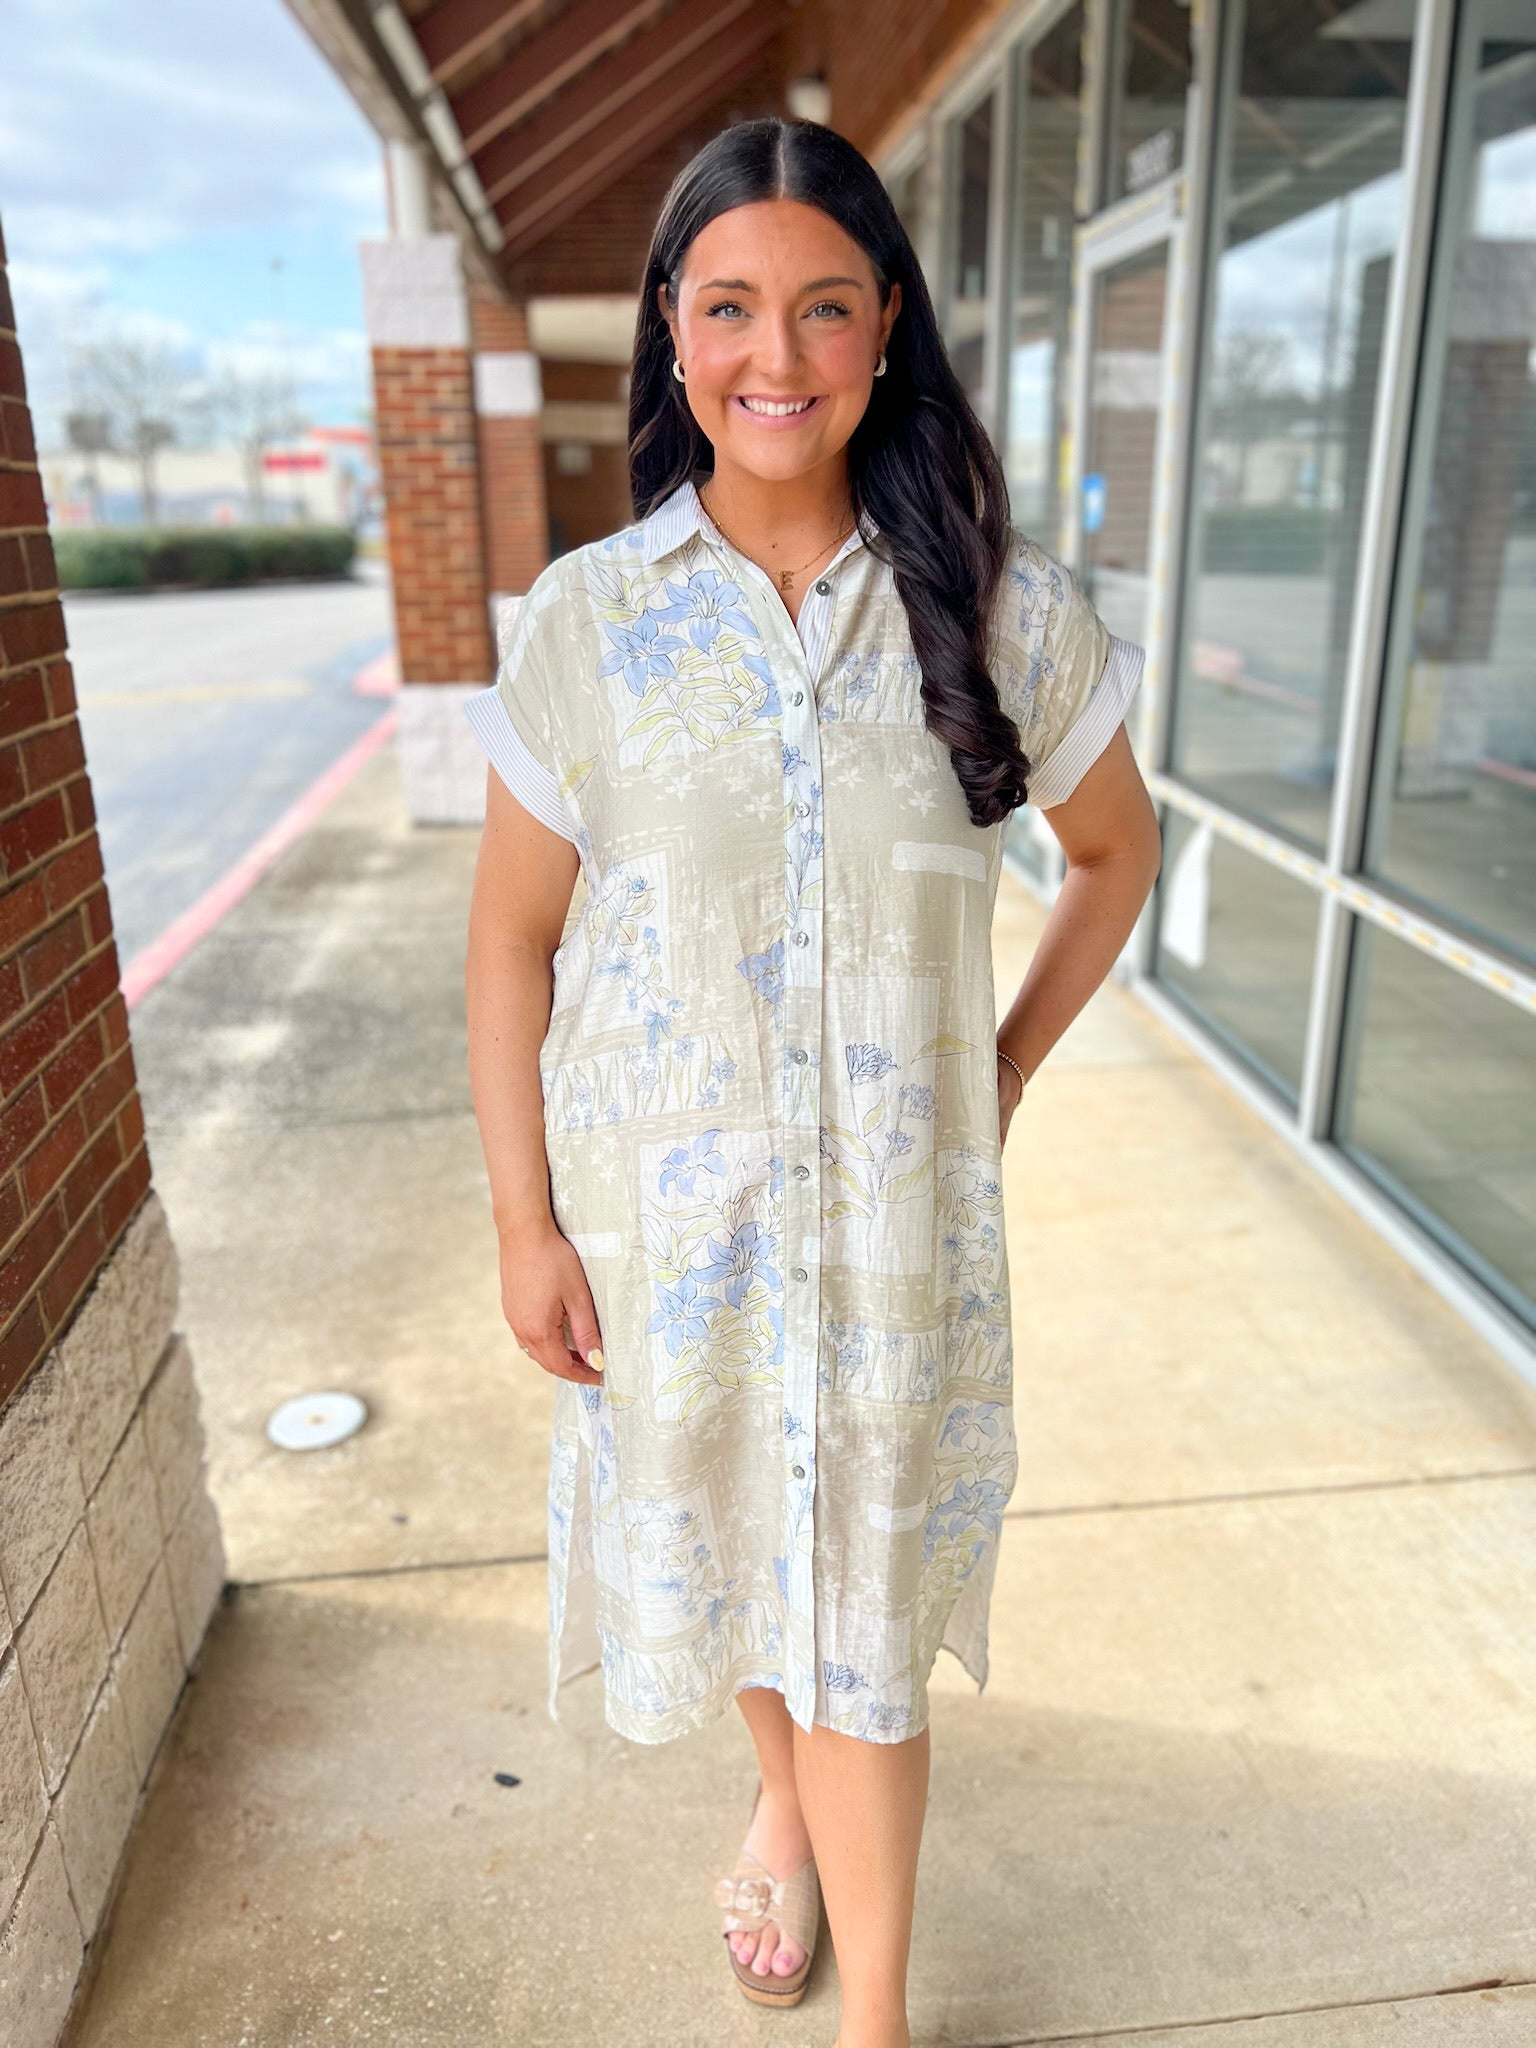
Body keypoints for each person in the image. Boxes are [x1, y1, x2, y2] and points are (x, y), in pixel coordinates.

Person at [463, 114, 1161, 2048]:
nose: (778, 356)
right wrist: (526, 1221)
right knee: (741, 1577)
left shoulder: (1004, 617)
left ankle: (883, 2025)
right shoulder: (588, 625)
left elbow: (1118, 857)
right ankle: (775, 1807)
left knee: (865, 1641)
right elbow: (510, 938)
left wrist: (996, 1075)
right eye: (733, 307)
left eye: (824, 308)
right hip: (665, 1234)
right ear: (675, 338)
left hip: (884, 1254)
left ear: (884, 329)